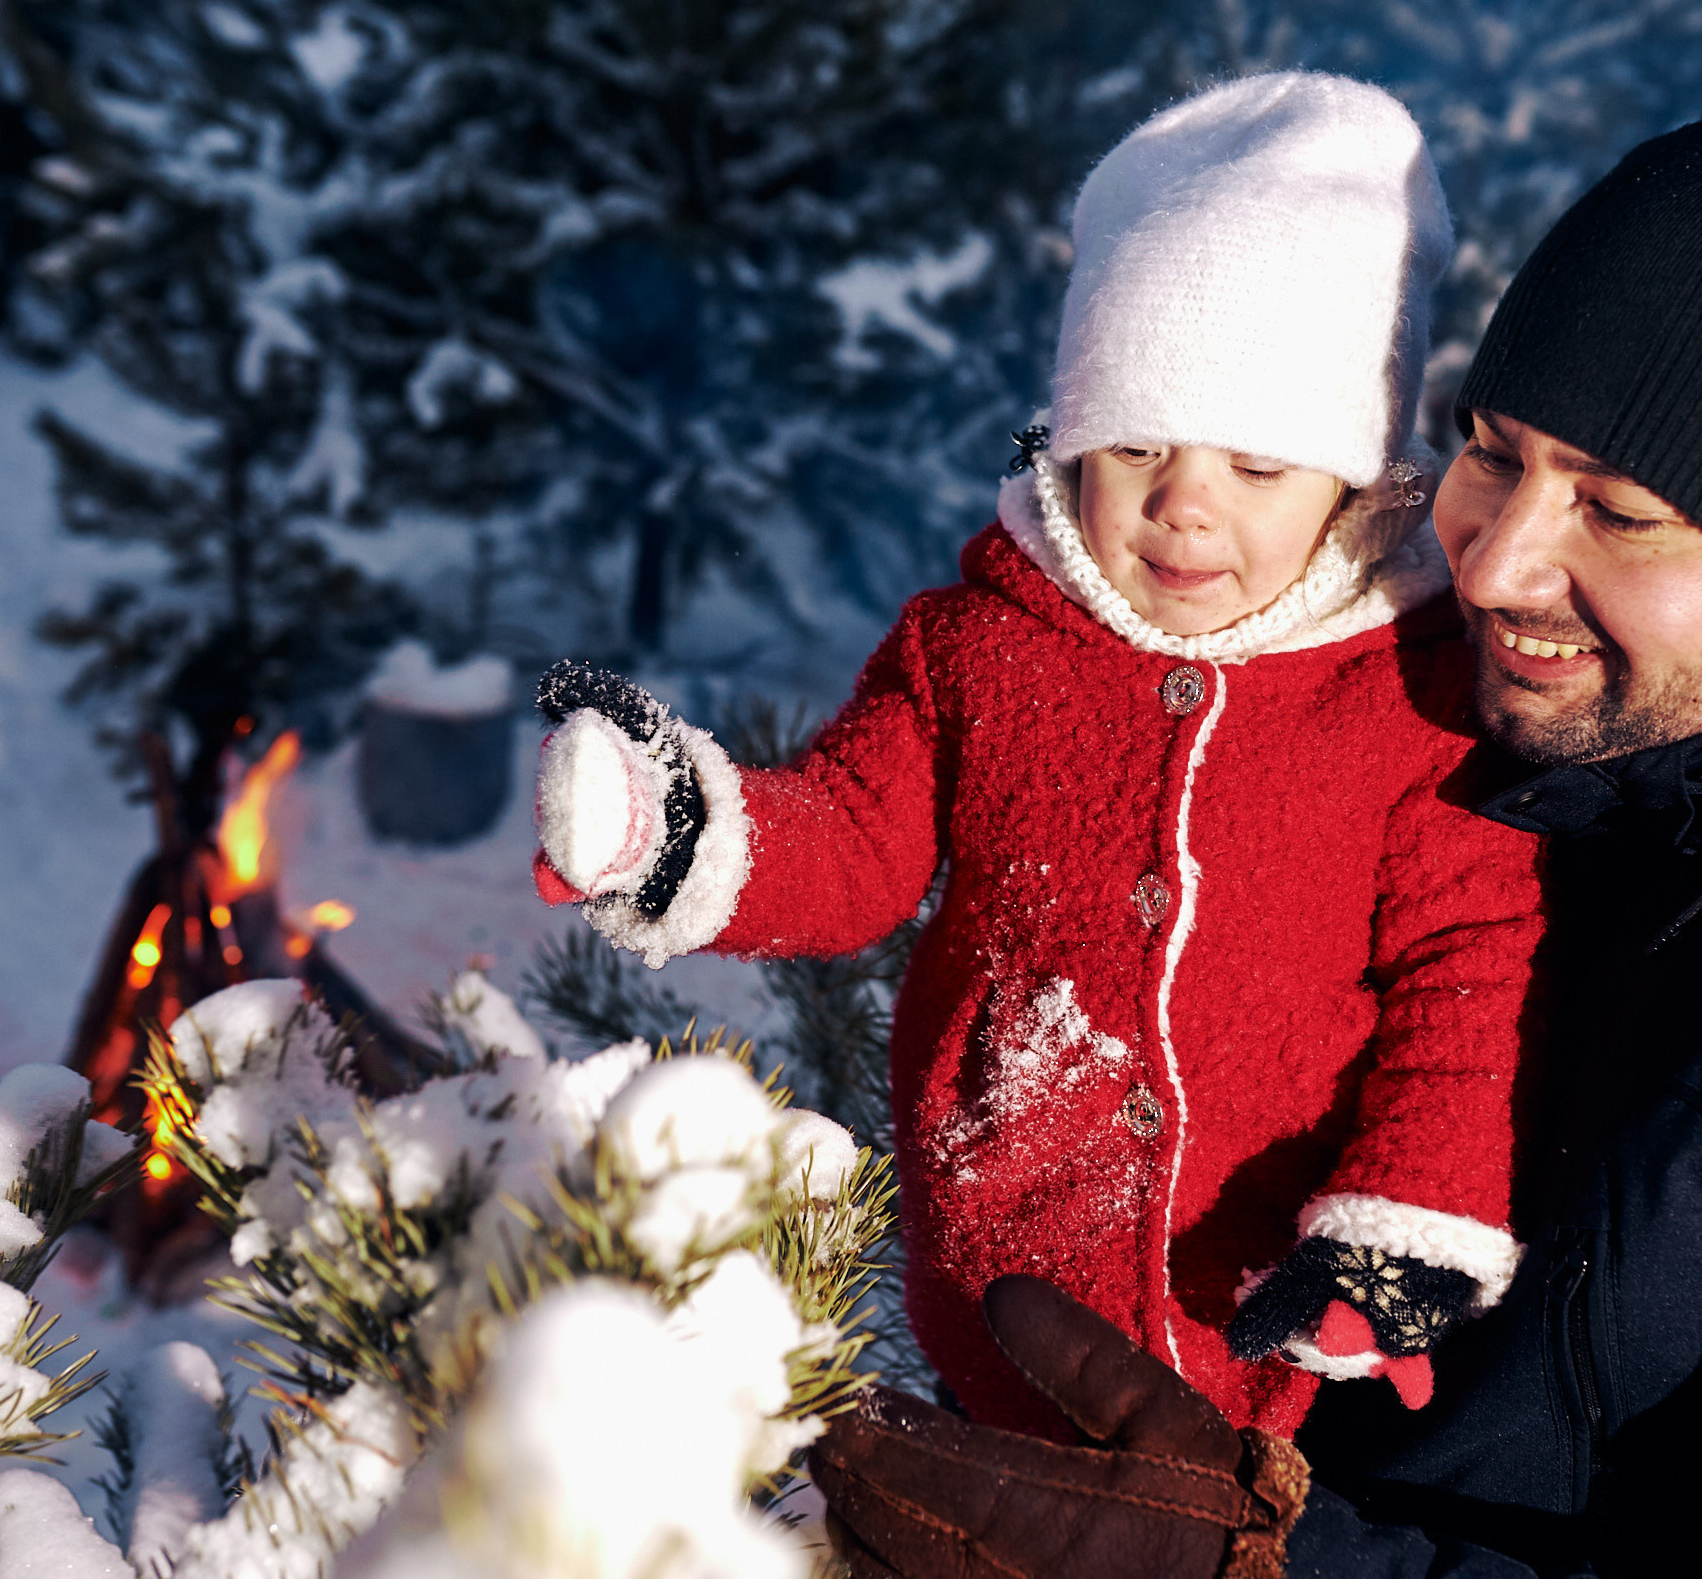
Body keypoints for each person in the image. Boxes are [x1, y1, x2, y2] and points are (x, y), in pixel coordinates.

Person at [809, 95, 1702, 1576]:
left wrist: (1257, 1565)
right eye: (1494, 449)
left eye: (1620, 510)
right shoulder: (1540, 746)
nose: (1493, 559)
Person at [528, 73, 1546, 1438]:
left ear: (1358, 480)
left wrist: (1405, 1221)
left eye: (1259, 464)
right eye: (1134, 445)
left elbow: (1467, 966)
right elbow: (853, 835)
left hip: (1293, 1334)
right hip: (1006, 1298)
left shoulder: (1406, 694)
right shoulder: (981, 643)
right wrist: (680, 828)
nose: (1184, 505)